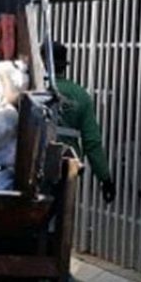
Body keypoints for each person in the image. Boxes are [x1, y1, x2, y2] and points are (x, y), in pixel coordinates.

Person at [42, 41, 116, 204]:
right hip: (67, 164)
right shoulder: (80, 95)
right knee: (61, 213)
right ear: (64, 66)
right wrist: (105, 178)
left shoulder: (34, 89)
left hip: (36, 161)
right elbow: (92, 142)